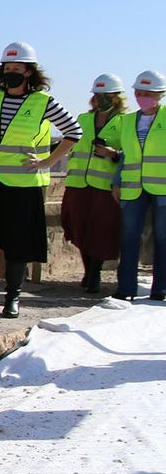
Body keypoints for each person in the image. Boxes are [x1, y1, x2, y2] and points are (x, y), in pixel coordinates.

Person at [0, 41, 82, 317]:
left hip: (22, 185)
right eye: (7, 68)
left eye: (17, 69)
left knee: (17, 245)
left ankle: (12, 298)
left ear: (29, 72)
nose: (11, 72)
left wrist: (47, 162)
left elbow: (74, 132)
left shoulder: (43, 102)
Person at [101, 70, 166, 302]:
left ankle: (161, 289)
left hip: (162, 189)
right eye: (138, 92)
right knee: (129, 237)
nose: (142, 96)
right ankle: (126, 288)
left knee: (163, 238)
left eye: (147, 93)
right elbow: (126, 156)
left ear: (160, 94)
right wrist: (117, 182)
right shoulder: (128, 121)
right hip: (132, 187)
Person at [60, 74, 127, 293]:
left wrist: (113, 153)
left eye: (107, 96)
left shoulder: (124, 122)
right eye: (98, 96)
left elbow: (130, 152)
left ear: (116, 98)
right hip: (78, 183)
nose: (101, 100)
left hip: (104, 186)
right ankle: (88, 269)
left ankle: (95, 272)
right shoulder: (83, 119)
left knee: (100, 230)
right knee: (79, 228)